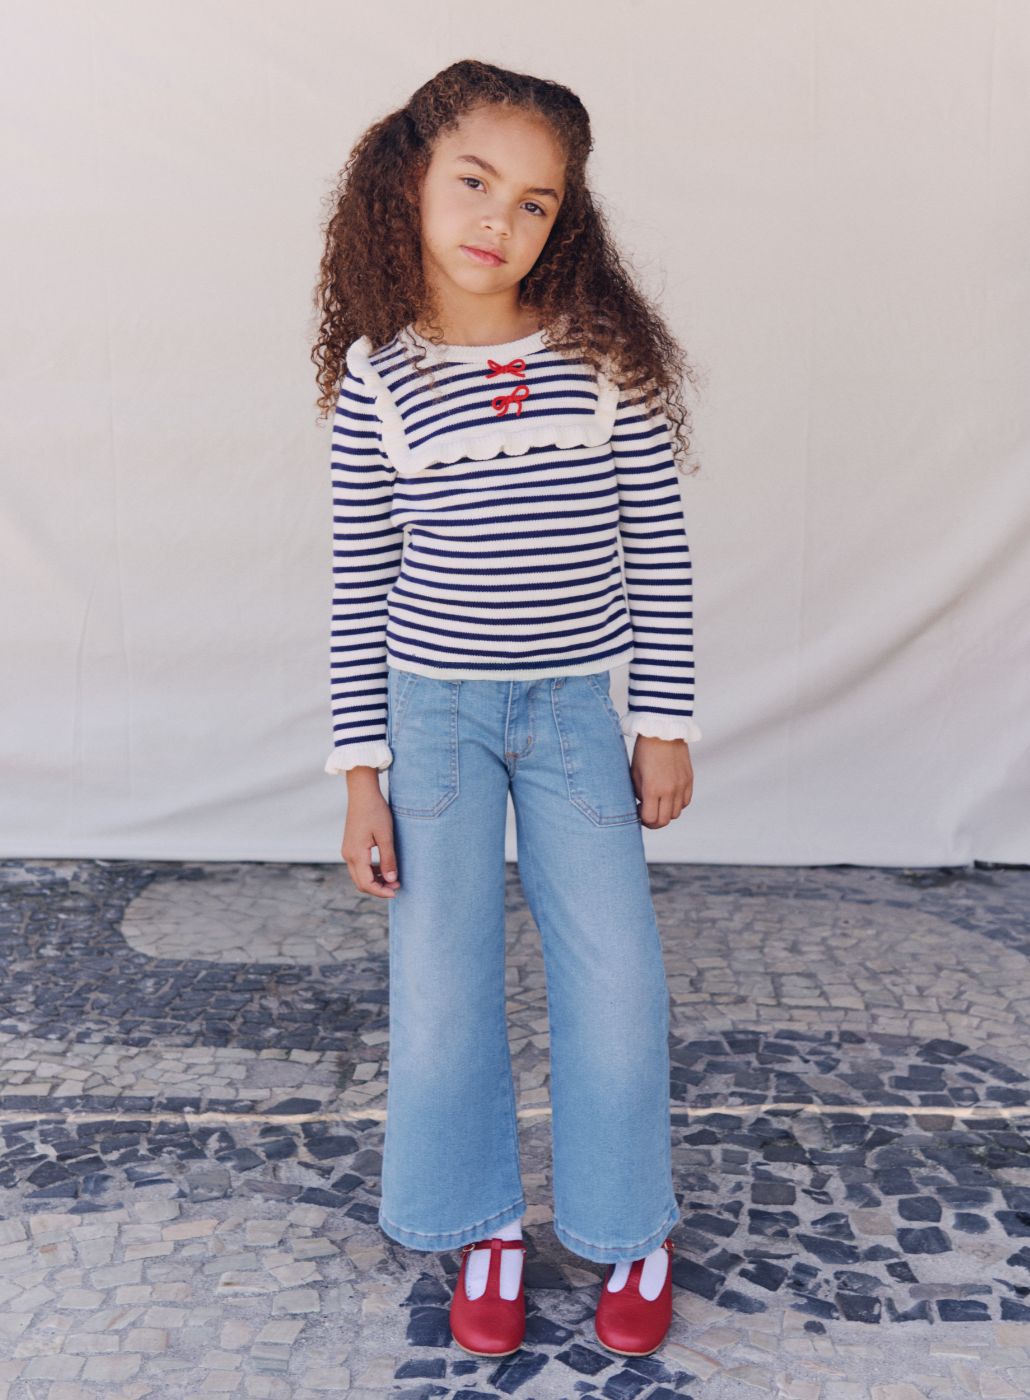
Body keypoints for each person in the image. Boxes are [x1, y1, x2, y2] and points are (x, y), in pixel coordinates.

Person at [311, 58, 703, 1360]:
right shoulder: (379, 382)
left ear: (563, 221)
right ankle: (480, 1223)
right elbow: (359, 585)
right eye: (475, 183)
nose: (500, 220)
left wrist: (661, 720)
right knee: (442, 983)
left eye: (536, 203)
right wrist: (360, 778)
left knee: (617, 978)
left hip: (573, 718)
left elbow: (658, 546)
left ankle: (628, 1227)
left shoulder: (601, 360)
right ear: (408, 183)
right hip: (432, 723)